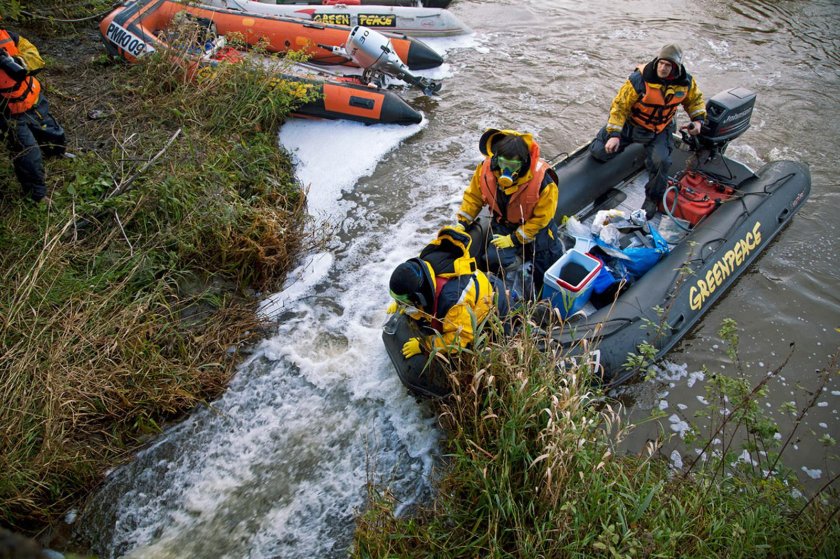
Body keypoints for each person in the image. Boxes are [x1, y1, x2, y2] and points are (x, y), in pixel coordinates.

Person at [589, 44, 706, 219]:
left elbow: (695, 101)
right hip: (632, 124)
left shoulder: (685, 82)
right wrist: (614, 135)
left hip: (658, 129)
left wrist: (697, 121)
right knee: (599, 152)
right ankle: (611, 140)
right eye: (661, 63)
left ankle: (652, 200)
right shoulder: (640, 79)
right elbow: (620, 106)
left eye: (668, 65)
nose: (663, 68)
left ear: (676, 67)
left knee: (662, 163)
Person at [455, 128, 562, 298]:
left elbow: (542, 218)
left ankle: (537, 291)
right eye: (504, 162)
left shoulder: (543, 181)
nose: (506, 169)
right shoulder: (484, 170)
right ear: (496, 159)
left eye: (513, 165)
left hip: (537, 231)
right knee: (492, 258)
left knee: (546, 266)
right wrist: (462, 223)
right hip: (504, 224)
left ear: (524, 162)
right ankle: (518, 262)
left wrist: (514, 239)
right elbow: (473, 197)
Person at [387, 226, 495, 360]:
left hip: (484, 305)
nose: (402, 304)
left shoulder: (453, 302)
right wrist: (400, 304)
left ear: (418, 297)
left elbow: (459, 339)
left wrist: (424, 345)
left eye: (403, 301)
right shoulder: (423, 271)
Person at [0, 22, 65, 203]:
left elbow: (34, 55)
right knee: (28, 154)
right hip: (8, 115)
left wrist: (18, 62)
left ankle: (57, 153)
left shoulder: (8, 36)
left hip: (33, 100)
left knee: (53, 133)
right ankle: (37, 195)